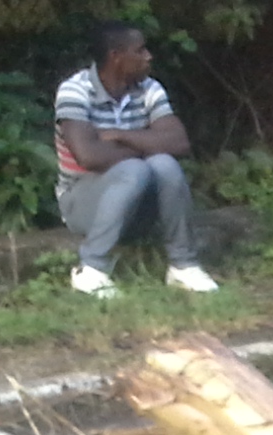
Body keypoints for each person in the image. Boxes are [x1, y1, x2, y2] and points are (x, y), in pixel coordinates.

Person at [54, 22, 219, 298]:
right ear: (116, 56)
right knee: (136, 168)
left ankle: (183, 266)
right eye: (140, 50)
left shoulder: (149, 88)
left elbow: (178, 142)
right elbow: (89, 156)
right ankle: (91, 270)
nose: (148, 56)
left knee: (165, 165)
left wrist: (120, 135)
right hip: (81, 201)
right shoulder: (75, 90)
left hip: (136, 203)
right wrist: (146, 145)